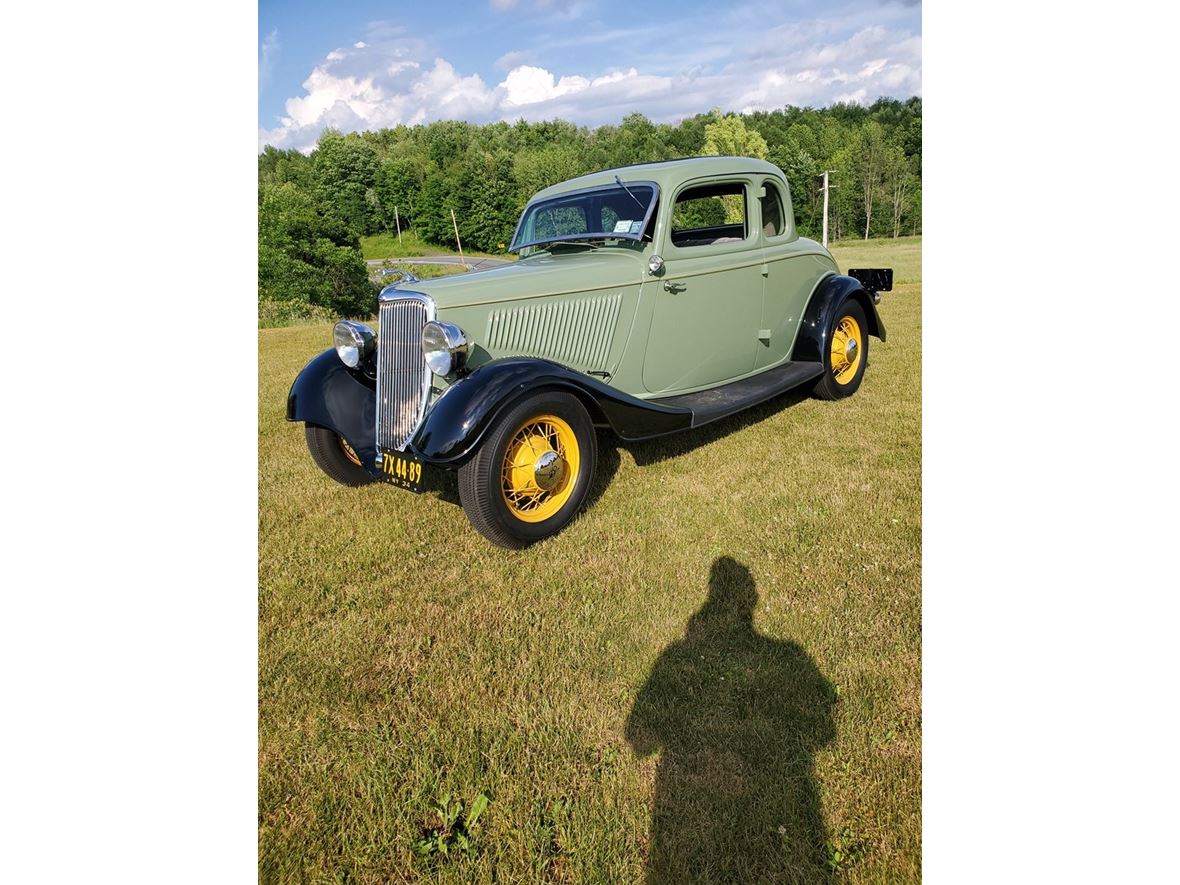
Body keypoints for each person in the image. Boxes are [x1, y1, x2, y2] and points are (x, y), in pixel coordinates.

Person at [626, 556, 837, 883]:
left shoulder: (675, 656)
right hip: (783, 830)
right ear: (751, 598)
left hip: (680, 830)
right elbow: (824, 731)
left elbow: (638, 740)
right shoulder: (788, 655)